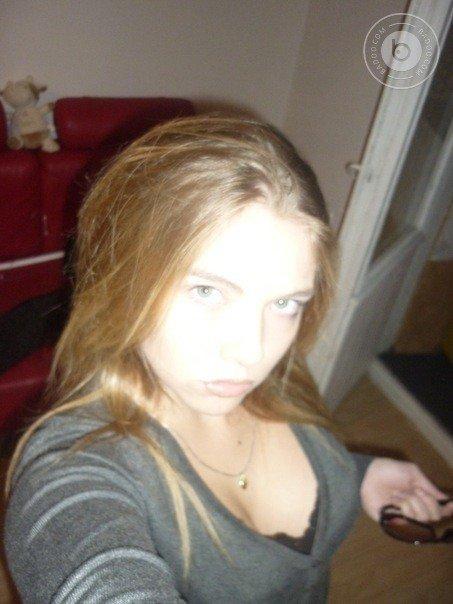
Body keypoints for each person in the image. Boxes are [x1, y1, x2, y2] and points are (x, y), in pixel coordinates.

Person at [3, 114, 452, 603]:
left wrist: (359, 474)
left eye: (285, 302)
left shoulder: (276, 377)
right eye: (206, 291)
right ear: (123, 281)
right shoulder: (73, 465)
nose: (253, 352)